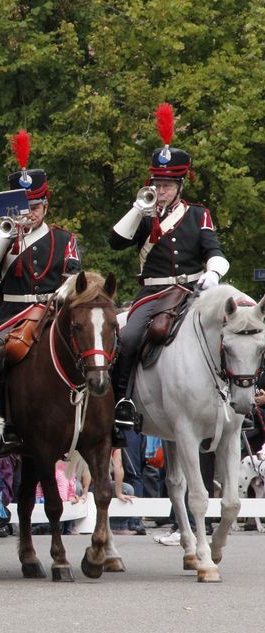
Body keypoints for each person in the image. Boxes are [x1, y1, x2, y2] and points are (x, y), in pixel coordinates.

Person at [109, 103, 229, 446]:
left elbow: (215, 251)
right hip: (152, 295)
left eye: (166, 186)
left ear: (179, 186)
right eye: (156, 185)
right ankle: (124, 402)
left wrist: (213, 275)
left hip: (192, 291)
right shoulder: (144, 216)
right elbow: (115, 242)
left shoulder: (196, 214)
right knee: (130, 337)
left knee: (233, 333)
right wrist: (137, 208)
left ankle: (237, 398)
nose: (160, 191)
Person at [0, 130, 81, 451]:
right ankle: (1, 424)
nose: (30, 213)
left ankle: (96, 419)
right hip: (13, 313)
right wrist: (8, 235)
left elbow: (73, 277)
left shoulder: (64, 239)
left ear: (46, 206)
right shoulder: (6, 239)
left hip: (53, 311)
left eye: (35, 206)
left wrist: (57, 301)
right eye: (24, 206)